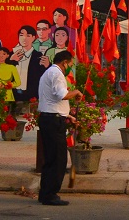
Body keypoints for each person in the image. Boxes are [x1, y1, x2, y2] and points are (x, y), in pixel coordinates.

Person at [37, 50, 84, 206]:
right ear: (65, 62)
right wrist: (76, 92)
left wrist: (68, 116)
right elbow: (61, 95)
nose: (71, 67)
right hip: (52, 122)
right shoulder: (56, 74)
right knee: (57, 159)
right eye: (71, 64)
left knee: (51, 158)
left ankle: (45, 194)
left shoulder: (49, 72)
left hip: (51, 118)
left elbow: (52, 102)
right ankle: (50, 194)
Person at [11, 25, 45, 103]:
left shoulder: (38, 56)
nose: (24, 38)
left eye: (28, 35)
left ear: (33, 38)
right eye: (21, 35)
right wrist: (11, 61)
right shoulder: (12, 54)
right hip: (13, 93)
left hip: (31, 94)